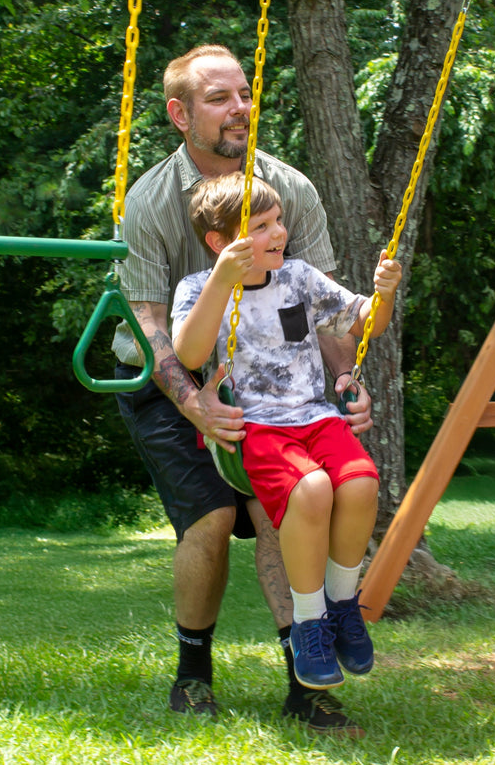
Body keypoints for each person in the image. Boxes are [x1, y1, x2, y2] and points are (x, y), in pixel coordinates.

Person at [111, 44, 372, 735]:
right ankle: (193, 675)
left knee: (287, 509)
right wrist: (194, 401)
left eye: (245, 95)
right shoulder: (152, 200)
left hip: (275, 384)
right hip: (171, 374)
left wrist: (346, 377)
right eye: (220, 98)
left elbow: (320, 310)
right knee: (212, 518)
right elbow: (146, 319)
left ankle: (306, 683)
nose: (239, 110)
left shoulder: (289, 189)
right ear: (180, 113)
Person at [171, 172, 400, 690]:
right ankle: (307, 622)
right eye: (263, 226)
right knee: (313, 489)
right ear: (221, 243)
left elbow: (363, 322)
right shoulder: (198, 289)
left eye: (278, 222)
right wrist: (222, 280)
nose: (279, 233)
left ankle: (342, 606)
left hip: (314, 417)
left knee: (361, 482)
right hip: (256, 430)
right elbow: (189, 355)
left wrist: (382, 296)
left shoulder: (298, 277)